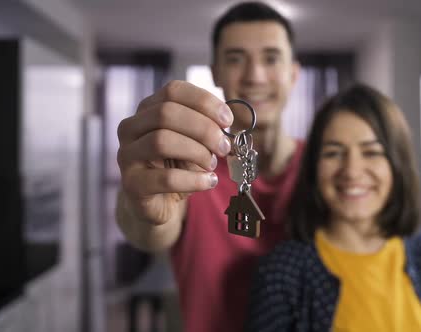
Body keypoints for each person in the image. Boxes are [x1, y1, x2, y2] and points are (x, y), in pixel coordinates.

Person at [115, 2, 302, 331]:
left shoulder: (329, 165)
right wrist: (141, 202)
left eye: (271, 58)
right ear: (215, 71)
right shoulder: (192, 164)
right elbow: (149, 230)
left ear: (293, 73)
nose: (255, 76)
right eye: (235, 58)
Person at [246, 85, 421, 332]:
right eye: (333, 153)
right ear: (314, 167)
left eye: (371, 152)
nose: (352, 171)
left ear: (397, 165)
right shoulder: (282, 272)